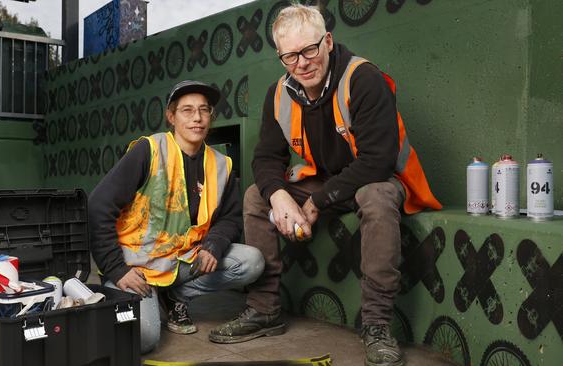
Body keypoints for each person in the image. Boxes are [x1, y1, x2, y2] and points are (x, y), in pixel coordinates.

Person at [208, 4, 441, 366]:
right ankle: (264, 309)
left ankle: (377, 324)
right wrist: (281, 196)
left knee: (377, 197)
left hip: (376, 180)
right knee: (257, 195)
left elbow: (377, 160)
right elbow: (266, 159)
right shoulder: (279, 93)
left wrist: (315, 202)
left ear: (328, 41)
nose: (301, 63)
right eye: (289, 56)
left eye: (309, 50)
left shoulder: (363, 78)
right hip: (326, 182)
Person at [88, 80, 264, 354]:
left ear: (211, 117)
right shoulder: (149, 150)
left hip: (182, 260)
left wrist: (213, 245)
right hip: (135, 268)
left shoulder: (221, 164)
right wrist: (116, 269)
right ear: (171, 116)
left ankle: (175, 296)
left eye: (204, 111)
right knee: (144, 338)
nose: (197, 118)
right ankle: (130, 293)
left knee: (251, 262)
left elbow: (230, 217)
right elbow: (99, 205)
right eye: (187, 110)